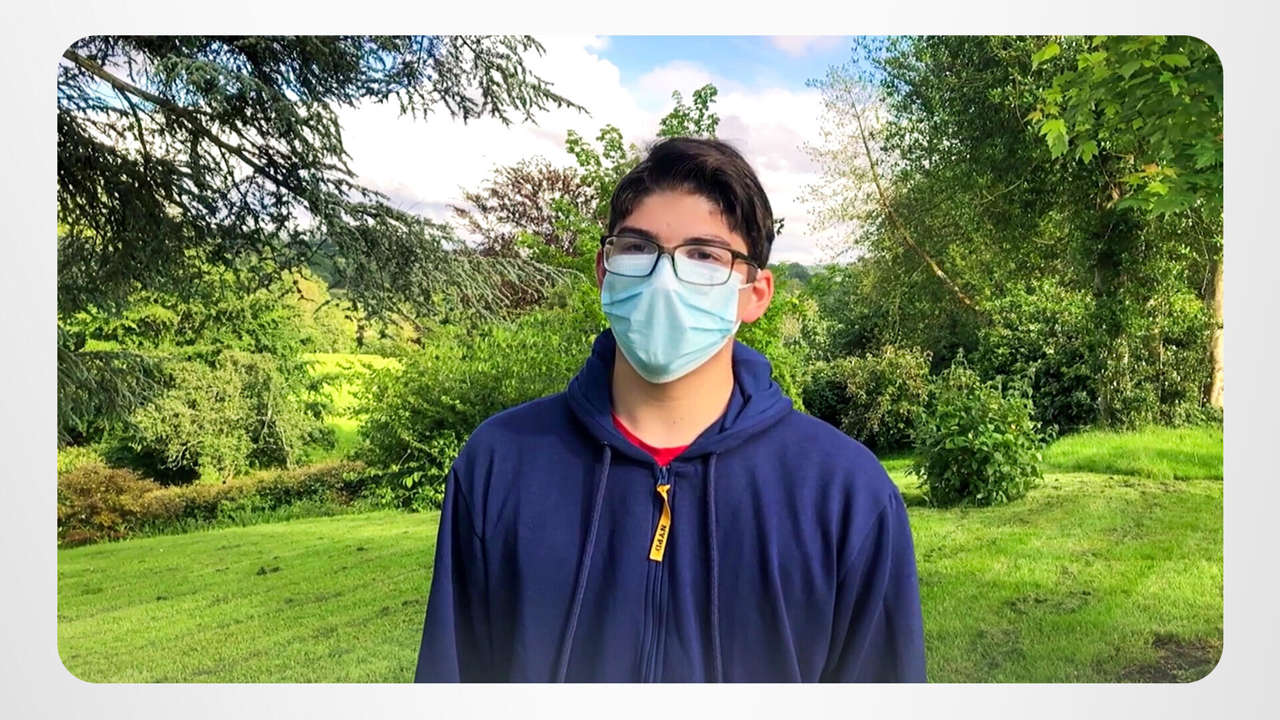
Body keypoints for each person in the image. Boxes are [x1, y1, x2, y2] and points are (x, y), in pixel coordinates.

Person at [413, 137, 926, 682]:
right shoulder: (500, 464)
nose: (663, 280)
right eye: (638, 248)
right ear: (604, 271)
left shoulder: (846, 493)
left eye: (704, 255)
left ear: (755, 293)